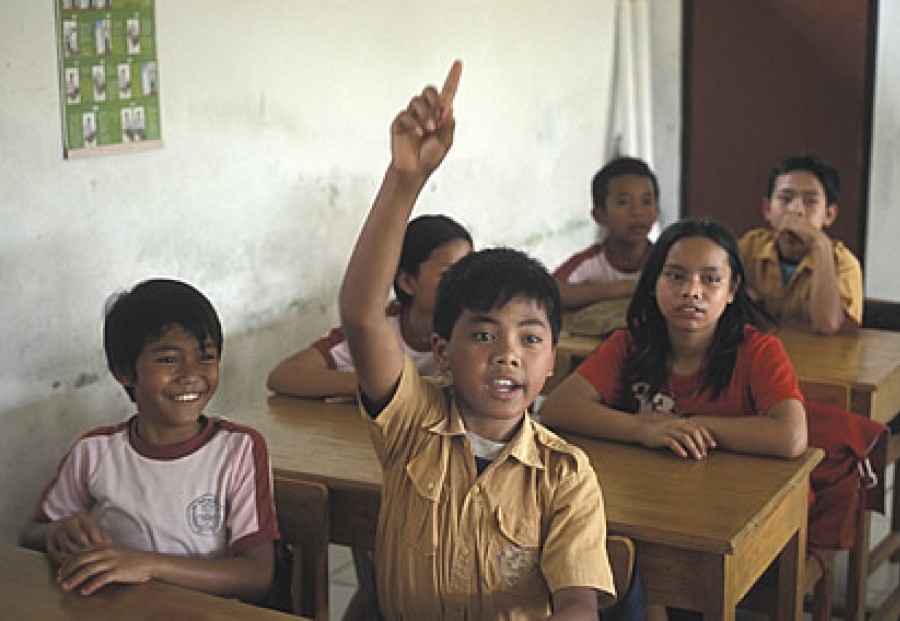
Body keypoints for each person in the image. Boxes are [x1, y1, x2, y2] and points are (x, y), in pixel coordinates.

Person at [338, 60, 615, 619]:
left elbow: (578, 600)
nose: (507, 352)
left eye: (530, 338)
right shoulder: (412, 425)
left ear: (552, 363)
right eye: (484, 333)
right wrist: (405, 179)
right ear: (441, 351)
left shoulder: (565, 475)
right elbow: (363, 314)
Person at [20, 279, 278, 603]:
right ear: (124, 372)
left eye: (206, 357)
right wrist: (55, 533)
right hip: (119, 611)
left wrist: (149, 565)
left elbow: (256, 575)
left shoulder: (239, 449)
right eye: (169, 360)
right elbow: (30, 534)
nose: (191, 373)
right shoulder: (94, 451)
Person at [540, 218, 807, 461]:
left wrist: (681, 424)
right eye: (675, 276)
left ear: (732, 289)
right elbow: (558, 407)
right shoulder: (632, 341)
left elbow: (791, 437)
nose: (691, 291)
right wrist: (643, 428)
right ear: (654, 282)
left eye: (710, 279)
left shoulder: (759, 350)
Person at [266, 214, 472, 400]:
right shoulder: (378, 328)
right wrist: (370, 387)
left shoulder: (477, 329)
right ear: (408, 282)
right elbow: (284, 375)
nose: (464, 284)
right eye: (449, 274)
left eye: (470, 272)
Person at [739, 154, 862, 334]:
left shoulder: (844, 264)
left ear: (829, 215)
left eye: (810, 201)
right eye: (786, 199)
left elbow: (827, 326)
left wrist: (821, 244)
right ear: (767, 209)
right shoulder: (748, 247)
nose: (796, 210)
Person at [553, 157, 660, 310]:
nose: (637, 212)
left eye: (646, 202)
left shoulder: (665, 260)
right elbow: (552, 292)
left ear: (657, 212)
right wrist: (628, 288)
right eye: (623, 202)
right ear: (599, 215)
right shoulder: (590, 262)